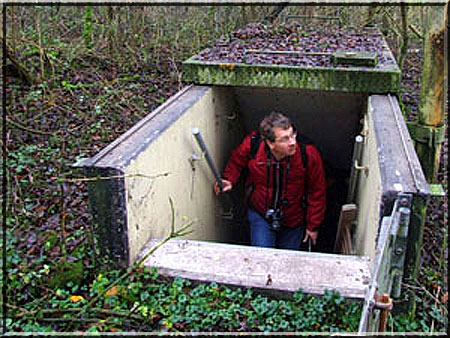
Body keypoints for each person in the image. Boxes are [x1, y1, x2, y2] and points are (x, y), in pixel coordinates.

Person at [214, 112, 326, 250]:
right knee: (262, 260)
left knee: (287, 263)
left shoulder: (308, 154)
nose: (292, 142)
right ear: (270, 143)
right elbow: (236, 161)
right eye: (285, 139)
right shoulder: (253, 144)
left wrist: (312, 226)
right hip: (260, 214)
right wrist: (229, 179)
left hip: (294, 219)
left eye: (292, 135)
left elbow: (317, 191)